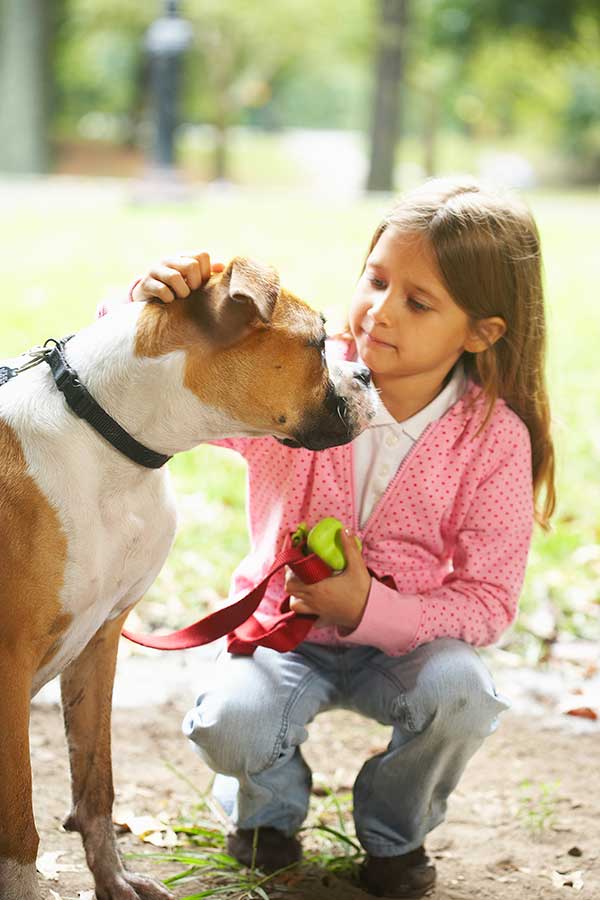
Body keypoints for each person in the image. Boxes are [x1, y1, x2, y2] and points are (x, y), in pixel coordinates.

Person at [109, 177, 555, 898]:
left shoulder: (492, 439)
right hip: (283, 640)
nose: (379, 311)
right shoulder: (294, 374)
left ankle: (393, 834)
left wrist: (369, 608)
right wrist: (151, 304)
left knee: (463, 694)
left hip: (407, 651)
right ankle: (268, 815)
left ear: (481, 332)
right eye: (375, 280)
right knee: (232, 724)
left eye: (418, 301)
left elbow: (488, 604)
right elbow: (156, 380)